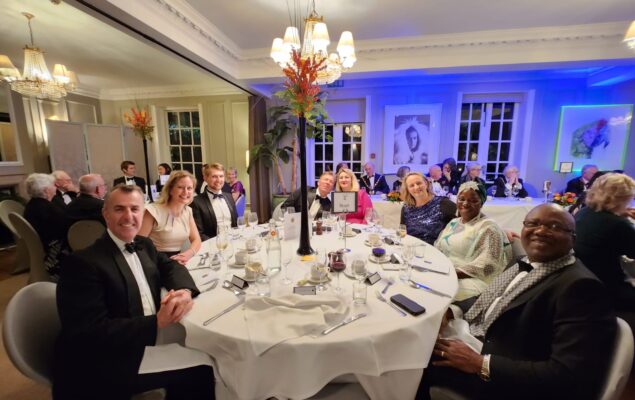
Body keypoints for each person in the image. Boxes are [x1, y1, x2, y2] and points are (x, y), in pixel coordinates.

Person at [417, 204, 616, 400]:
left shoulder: (582, 288)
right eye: (533, 223)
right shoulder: (523, 261)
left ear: (573, 238)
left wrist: (479, 363)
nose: (540, 231)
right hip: (479, 340)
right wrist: (453, 311)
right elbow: (490, 301)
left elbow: (567, 374)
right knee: (418, 337)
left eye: (554, 226)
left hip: (509, 379)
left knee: (413, 359)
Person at [54, 185, 214, 400]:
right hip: (106, 358)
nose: (128, 216)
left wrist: (185, 290)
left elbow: (170, 266)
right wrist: (155, 322)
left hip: (141, 337)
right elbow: (87, 332)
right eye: (119, 209)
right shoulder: (83, 263)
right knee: (202, 368)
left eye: (135, 209)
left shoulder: (143, 244)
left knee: (204, 348)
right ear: (106, 214)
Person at [435, 182, 511, 301]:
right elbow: (438, 248)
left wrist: (451, 273)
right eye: (461, 199)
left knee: (435, 293)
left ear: (481, 203)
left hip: (474, 280)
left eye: (473, 200)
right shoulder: (454, 223)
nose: (465, 203)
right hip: (447, 273)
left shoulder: (489, 228)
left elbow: (488, 265)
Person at [574, 173, 635, 311]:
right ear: (621, 199)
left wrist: (621, 214)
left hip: (580, 280)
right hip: (605, 288)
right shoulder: (618, 225)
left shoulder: (583, 213)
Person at [139, 170, 202, 265]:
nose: (185, 192)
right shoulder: (153, 211)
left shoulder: (187, 211)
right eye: (180, 187)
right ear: (170, 190)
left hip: (177, 261)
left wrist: (188, 254)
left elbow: (196, 240)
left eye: (189, 188)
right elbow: (139, 245)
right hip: (153, 262)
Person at [23, 173, 69, 279]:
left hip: (43, 245)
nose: (55, 188)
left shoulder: (31, 205)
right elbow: (67, 226)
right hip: (54, 250)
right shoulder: (49, 209)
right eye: (53, 185)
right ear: (46, 190)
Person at [400, 172, 456, 245]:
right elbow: (402, 231)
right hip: (411, 249)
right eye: (411, 185)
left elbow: (462, 221)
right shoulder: (406, 208)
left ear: (426, 183)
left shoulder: (443, 203)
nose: (416, 187)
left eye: (419, 183)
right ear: (408, 190)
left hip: (435, 251)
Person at [191, 163, 238, 240]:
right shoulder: (196, 202)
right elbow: (199, 233)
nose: (219, 180)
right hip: (213, 246)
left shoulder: (229, 197)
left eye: (221, 176)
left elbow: (236, 223)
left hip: (233, 241)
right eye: (214, 176)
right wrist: (216, 244)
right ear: (205, 178)